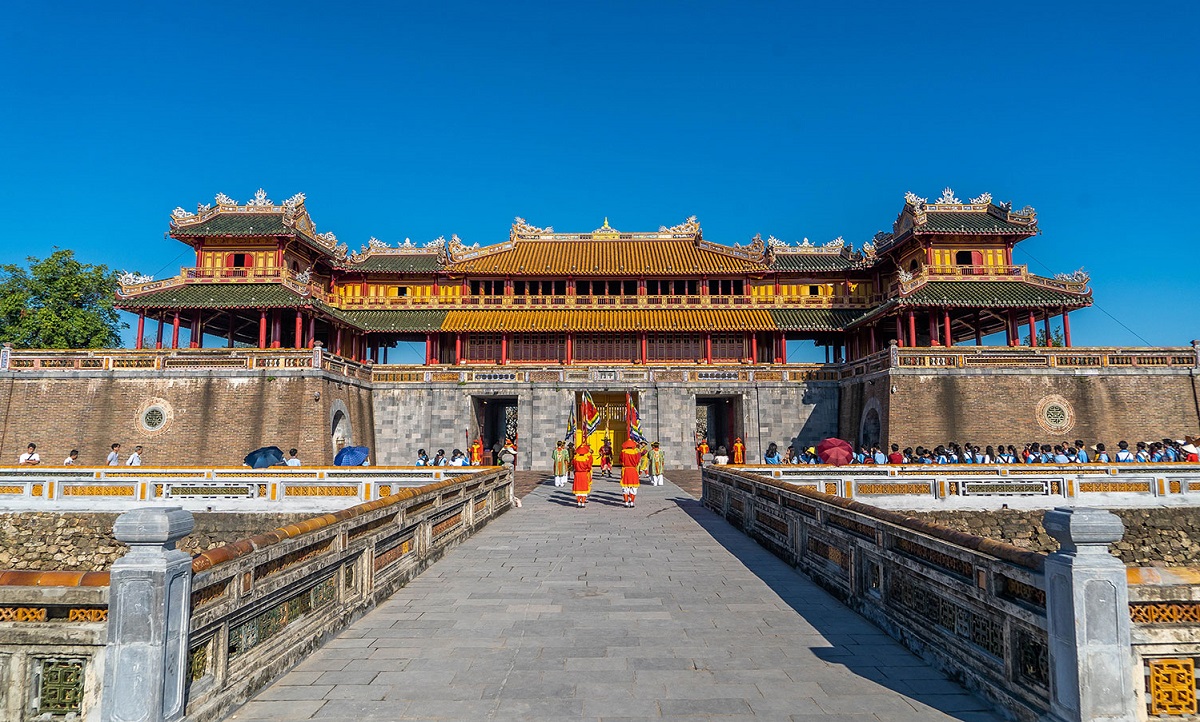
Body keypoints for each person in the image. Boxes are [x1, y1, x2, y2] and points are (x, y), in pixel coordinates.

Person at [619, 439, 641, 507]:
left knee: (625, 487)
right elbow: (637, 461)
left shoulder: (623, 452)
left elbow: (620, 461)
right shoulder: (636, 452)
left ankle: (626, 502)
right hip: (633, 470)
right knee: (634, 487)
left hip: (625, 470)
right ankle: (632, 502)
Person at [572, 443, 593, 507]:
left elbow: (573, 465)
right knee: (584, 488)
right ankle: (583, 503)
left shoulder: (575, 458)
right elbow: (589, 466)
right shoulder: (586, 458)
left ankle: (578, 502)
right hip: (584, 473)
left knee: (578, 488)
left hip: (577, 474)